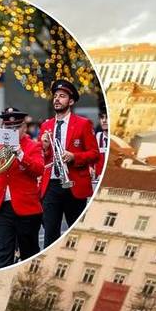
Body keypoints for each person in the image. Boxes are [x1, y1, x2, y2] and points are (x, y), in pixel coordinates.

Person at [39, 79, 100, 248]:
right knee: (50, 232)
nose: (57, 99)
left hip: (74, 183)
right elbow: (42, 158)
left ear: (71, 101)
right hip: (51, 184)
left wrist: (74, 157)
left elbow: (95, 154)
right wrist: (44, 148)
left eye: (62, 96)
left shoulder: (83, 124)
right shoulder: (46, 125)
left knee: (76, 233)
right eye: (56, 96)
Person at [0, 107, 44, 269]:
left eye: (16, 128)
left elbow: (39, 169)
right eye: (8, 128)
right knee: (1, 255)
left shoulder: (33, 146)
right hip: (2, 208)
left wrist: (20, 154)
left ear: (24, 128)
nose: (12, 131)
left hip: (27, 209)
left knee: (29, 253)